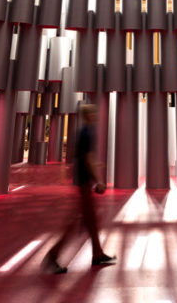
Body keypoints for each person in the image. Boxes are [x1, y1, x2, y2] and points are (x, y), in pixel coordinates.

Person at [42, 103, 116, 273]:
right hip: (84, 183)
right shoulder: (87, 133)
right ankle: (52, 256)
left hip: (82, 181)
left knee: (90, 220)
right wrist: (98, 181)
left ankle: (97, 254)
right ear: (88, 115)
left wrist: (95, 165)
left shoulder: (84, 131)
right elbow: (88, 158)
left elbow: (84, 158)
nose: (96, 114)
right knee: (78, 221)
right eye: (93, 112)